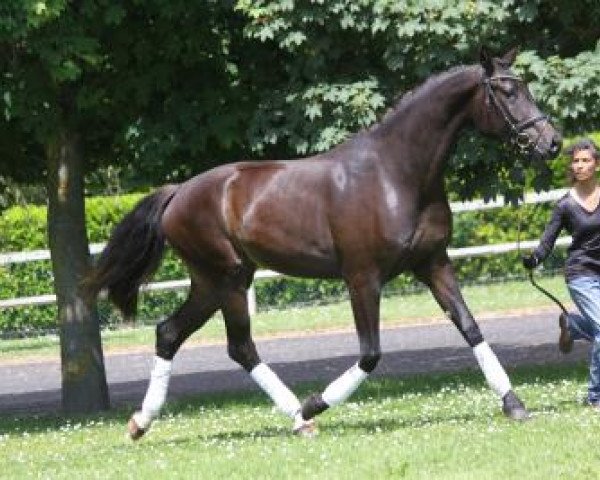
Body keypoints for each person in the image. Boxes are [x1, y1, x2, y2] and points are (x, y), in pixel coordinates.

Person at [522, 137, 600, 407]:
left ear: (596, 164)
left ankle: (574, 325)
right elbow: (547, 242)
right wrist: (533, 259)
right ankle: (595, 396)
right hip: (581, 273)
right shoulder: (565, 205)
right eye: (576, 161)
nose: (579, 166)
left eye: (585, 160)